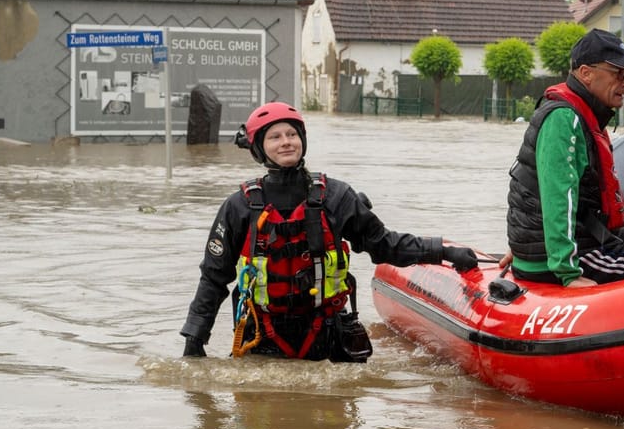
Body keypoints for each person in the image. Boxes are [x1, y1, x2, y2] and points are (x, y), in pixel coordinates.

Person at [180, 102, 478, 360]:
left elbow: (384, 245)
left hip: (326, 332)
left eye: (292, 134)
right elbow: (213, 278)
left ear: (303, 140)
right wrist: (194, 339)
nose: (286, 142)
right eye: (275, 137)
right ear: (259, 147)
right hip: (262, 336)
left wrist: (443, 251)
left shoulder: (336, 196)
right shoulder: (238, 206)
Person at [506, 29, 624, 287]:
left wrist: (524, 248)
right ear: (586, 73)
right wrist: (567, 272)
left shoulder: (582, 113)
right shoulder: (564, 119)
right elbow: (557, 198)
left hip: (563, 247)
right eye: (618, 73)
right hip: (569, 260)